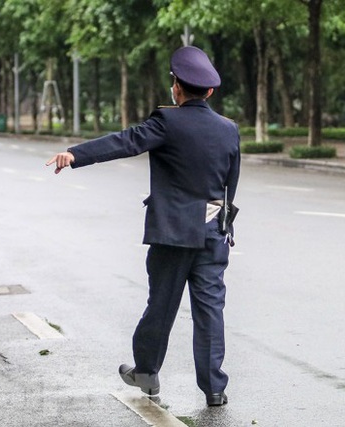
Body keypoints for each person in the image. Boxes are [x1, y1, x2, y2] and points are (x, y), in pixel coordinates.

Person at [45, 46, 240, 407]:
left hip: (172, 235)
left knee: (161, 306)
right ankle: (215, 388)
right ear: (210, 91)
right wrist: (220, 225)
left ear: (177, 88)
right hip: (213, 234)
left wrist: (76, 155)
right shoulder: (229, 130)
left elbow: (126, 142)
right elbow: (231, 184)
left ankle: (147, 372)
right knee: (210, 311)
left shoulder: (168, 122)